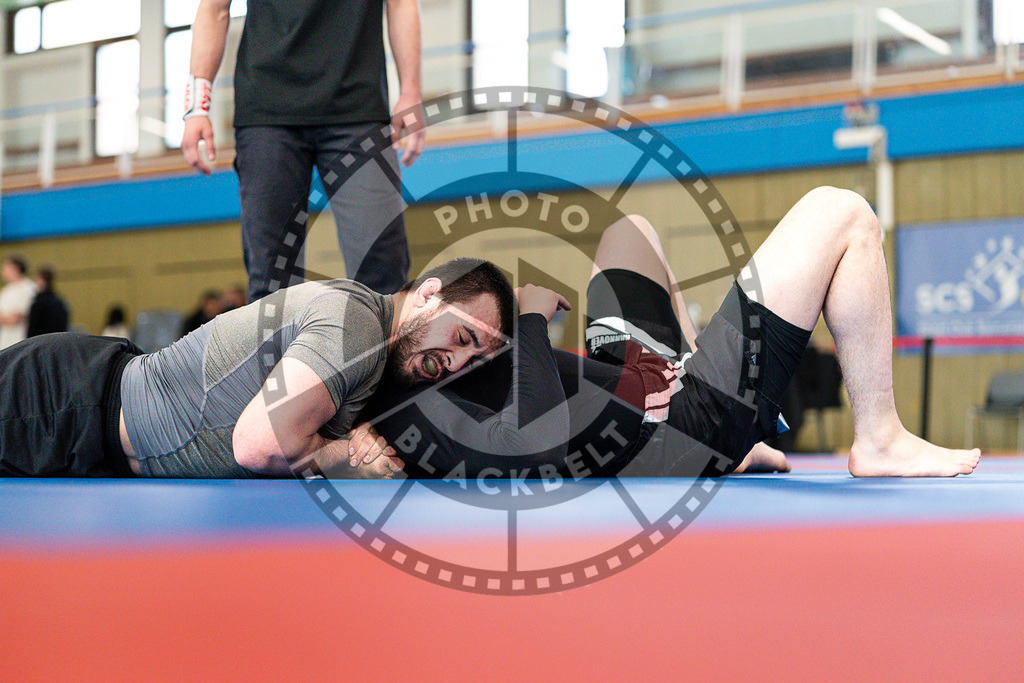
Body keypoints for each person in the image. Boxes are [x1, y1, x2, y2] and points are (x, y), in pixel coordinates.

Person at [360, 188, 981, 479]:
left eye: (466, 341)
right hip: (685, 419)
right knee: (841, 212)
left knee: (632, 230)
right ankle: (878, 437)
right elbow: (540, 435)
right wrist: (524, 320)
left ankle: (696, 371)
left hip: (634, 377)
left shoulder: (392, 362)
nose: (452, 356)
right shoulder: (406, 399)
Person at [0, 258, 514, 479]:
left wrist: (528, 317)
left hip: (93, 422)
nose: (458, 363)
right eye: (463, 338)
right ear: (428, 294)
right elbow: (259, 444)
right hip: (61, 401)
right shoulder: (357, 326)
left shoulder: (379, 351)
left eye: (475, 361)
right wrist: (350, 453)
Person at [182, 0, 425, 302]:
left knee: (382, 271)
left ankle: (383, 348)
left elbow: (401, 3)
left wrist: (411, 92)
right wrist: (196, 108)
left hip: (357, 108)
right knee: (272, 282)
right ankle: (279, 351)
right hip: (267, 115)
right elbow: (214, 8)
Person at [0, 256, 36, 350]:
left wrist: (6, 319)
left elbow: (17, 317)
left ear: (16, 268)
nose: (3, 272)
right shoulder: (6, 290)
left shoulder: (29, 288)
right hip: (5, 342)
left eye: (6, 268)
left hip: (21, 340)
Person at [26, 265, 70, 338]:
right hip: (58, 340)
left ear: (42, 281)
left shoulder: (38, 303)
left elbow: (33, 329)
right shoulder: (60, 301)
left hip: (40, 341)